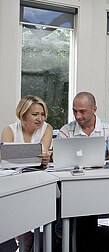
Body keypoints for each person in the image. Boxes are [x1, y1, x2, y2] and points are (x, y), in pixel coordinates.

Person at [58, 91, 109, 250]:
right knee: (61, 194)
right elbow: (60, 161)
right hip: (75, 181)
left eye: (82, 111)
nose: (78, 116)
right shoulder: (66, 130)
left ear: (94, 109)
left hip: (103, 180)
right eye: (75, 111)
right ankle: (60, 235)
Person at [1, 95, 53, 252]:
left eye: (42, 114)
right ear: (23, 114)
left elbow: (42, 156)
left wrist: (44, 158)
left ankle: (25, 234)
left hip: (36, 178)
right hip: (13, 179)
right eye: (35, 114)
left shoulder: (47, 128)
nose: (40, 119)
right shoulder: (9, 130)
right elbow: (5, 161)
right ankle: (19, 235)